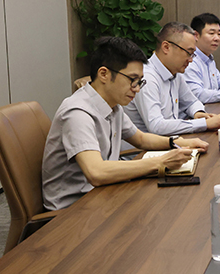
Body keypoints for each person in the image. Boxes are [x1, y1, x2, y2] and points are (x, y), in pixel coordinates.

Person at [42, 37, 209, 211]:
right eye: (132, 80)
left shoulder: (113, 105)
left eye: (140, 81)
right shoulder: (77, 112)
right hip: (72, 211)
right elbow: (96, 172)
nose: (137, 89)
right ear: (104, 74)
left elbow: (141, 139)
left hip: (104, 193)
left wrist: (177, 142)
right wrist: (160, 162)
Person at [126, 21, 220, 136]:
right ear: (166, 47)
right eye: (188, 53)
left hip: (172, 139)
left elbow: (191, 101)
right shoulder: (147, 77)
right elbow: (156, 126)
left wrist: (198, 113)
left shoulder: (175, 72)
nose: (191, 60)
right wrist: (204, 123)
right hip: (150, 145)